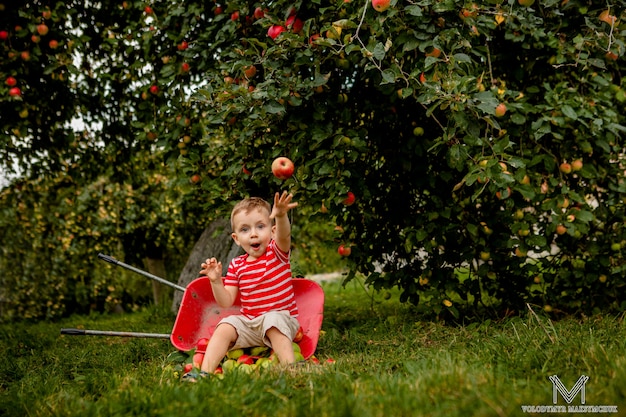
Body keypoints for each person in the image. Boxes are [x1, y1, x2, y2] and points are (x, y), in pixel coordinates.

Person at [196, 191, 300, 376]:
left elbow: (284, 236)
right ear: (236, 238)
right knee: (226, 324)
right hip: (251, 325)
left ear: (273, 230)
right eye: (245, 229)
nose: (253, 234)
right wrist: (216, 282)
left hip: (282, 322)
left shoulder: (276, 252)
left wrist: (281, 215)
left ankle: (291, 370)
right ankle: (204, 372)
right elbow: (226, 302)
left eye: (260, 226)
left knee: (272, 320)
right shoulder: (237, 265)